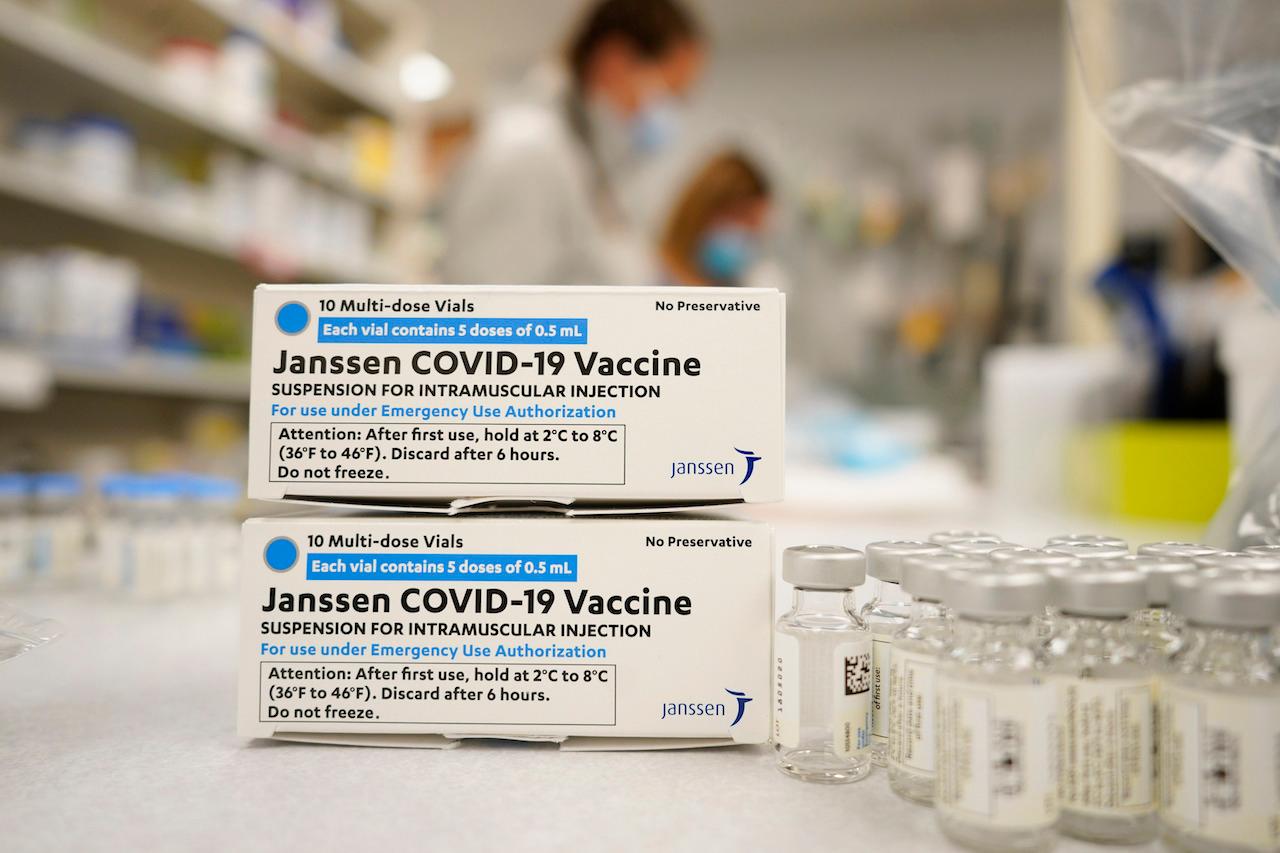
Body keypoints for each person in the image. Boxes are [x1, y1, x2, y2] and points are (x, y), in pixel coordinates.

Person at [439, 0, 706, 286]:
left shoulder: (584, 161)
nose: (668, 112)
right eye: (670, 93)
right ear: (614, 62)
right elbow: (493, 318)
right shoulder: (528, 154)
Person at [659, 150, 772, 287]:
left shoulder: (734, 296)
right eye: (741, 219)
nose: (743, 238)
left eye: (753, 231)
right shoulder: (642, 275)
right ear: (703, 208)